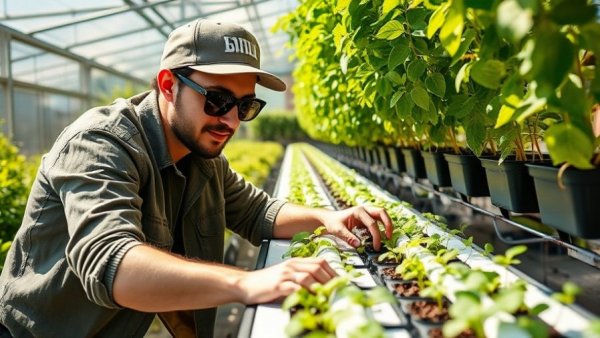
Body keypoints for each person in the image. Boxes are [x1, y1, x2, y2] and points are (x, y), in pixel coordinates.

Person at [0, 19, 392, 337]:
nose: (231, 120)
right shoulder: (100, 143)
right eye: (217, 100)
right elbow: (112, 264)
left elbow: (259, 212)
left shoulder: (201, 156)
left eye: (245, 105)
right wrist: (247, 284)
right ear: (169, 85)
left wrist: (327, 218)